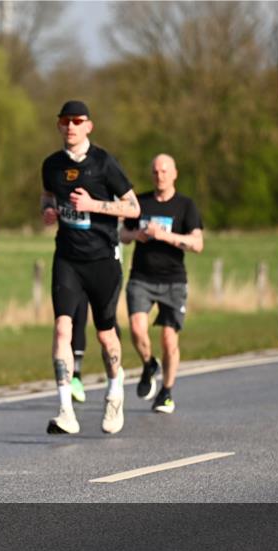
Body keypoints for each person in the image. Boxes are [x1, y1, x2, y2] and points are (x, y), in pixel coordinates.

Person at [40, 100, 140, 435]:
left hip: (103, 260)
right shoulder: (51, 165)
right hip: (67, 258)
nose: (71, 126)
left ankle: (115, 389)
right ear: (59, 125)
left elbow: (133, 208)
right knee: (61, 330)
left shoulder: (103, 162)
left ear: (88, 126)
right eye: (65, 120)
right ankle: (65, 409)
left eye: (77, 121)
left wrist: (93, 205)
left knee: (105, 335)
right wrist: (49, 212)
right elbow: (46, 197)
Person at [120, 154, 204, 413]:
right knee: (136, 328)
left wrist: (164, 236)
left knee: (169, 339)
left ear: (175, 173)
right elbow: (122, 235)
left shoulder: (185, 206)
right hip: (141, 277)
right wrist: (139, 235)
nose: (160, 175)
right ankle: (148, 364)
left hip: (173, 281)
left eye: (165, 171)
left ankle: (166, 392)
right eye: (156, 171)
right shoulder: (141, 202)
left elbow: (197, 244)